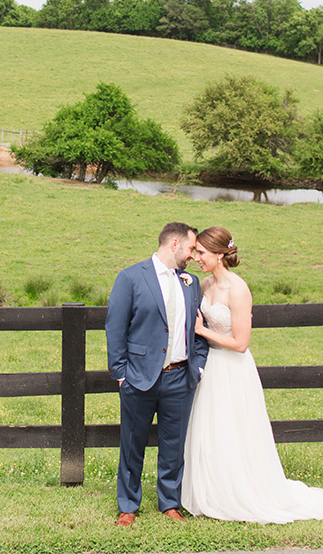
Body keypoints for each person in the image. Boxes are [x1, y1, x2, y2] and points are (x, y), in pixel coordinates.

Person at [182, 226, 323, 523]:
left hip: (232, 369)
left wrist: (202, 330)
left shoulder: (238, 289)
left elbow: (240, 342)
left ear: (220, 255)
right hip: (209, 365)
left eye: (202, 252)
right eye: (196, 251)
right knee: (209, 429)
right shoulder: (204, 285)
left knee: (233, 430)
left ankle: (239, 493)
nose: (196, 257)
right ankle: (210, 491)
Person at [105, 222, 210, 527]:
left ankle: (170, 503)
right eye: (192, 248)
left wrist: (198, 367)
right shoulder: (130, 277)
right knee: (132, 444)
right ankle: (128, 506)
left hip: (180, 378)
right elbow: (115, 328)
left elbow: (200, 329)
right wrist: (122, 374)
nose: (194, 255)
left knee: (174, 446)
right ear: (174, 244)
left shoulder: (191, 283)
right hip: (139, 378)